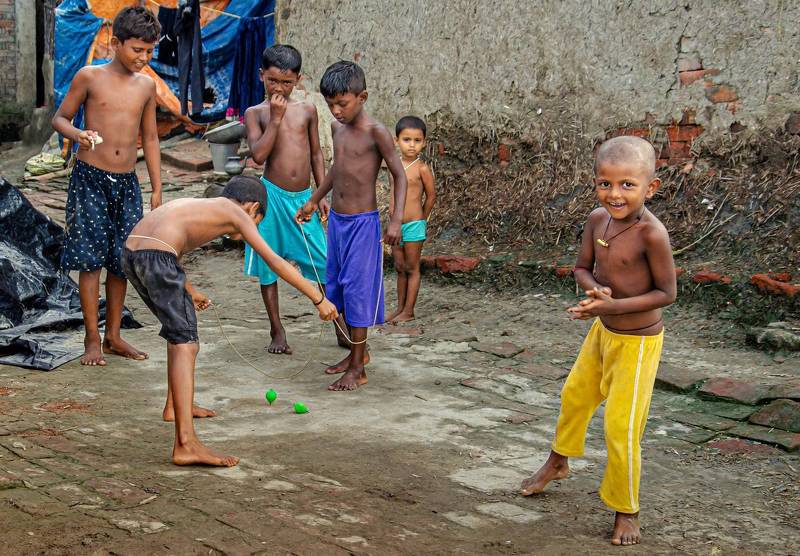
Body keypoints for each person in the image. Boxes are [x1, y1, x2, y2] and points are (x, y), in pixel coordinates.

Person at [519, 136, 676, 546]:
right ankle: (558, 461)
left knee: (621, 426)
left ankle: (627, 509)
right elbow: (581, 268)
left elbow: (667, 294)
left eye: (628, 185)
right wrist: (595, 291)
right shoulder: (596, 220)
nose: (615, 194)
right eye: (605, 183)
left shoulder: (652, 234)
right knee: (574, 396)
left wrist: (612, 305)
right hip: (602, 331)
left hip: (638, 344)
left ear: (651, 188)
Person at [123, 176, 338, 466]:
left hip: (132, 252)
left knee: (179, 335)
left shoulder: (202, 208)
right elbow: (274, 260)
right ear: (252, 208)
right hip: (155, 256)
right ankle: (186, 444)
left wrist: (190, 291)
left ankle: (175, 406)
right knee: (186, 343)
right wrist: (319, 299)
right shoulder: (237, 213)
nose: (254, 227)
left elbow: (172, 249)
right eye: (258, 221)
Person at [52, 6, 163, 367]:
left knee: (121, 261)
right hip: (90, 179)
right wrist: (77, 134)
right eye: (137, 50)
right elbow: (60, 118)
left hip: (127, 183)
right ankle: (92, 338)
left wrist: (156, 187)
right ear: (115, 43)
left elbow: (150, 137)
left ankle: (114, 335)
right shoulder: (89, 77)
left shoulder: (147, 86)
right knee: (90, 262)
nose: (143, 58)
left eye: (150, 51)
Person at [295, 61, 408, 391]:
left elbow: (399, 175)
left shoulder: (376, 132)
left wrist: (396, 220)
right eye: (330, 104)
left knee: (358, 292)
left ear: (363, 97)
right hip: (338, 223)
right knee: (338, 288)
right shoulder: (337, 128)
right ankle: (357, 354)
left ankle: (358, 368)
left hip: (362, 224)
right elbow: (337, 169)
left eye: (342, 103)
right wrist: (314, 199)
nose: (336, 111)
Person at [243, 44, 347, 354]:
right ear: (261, 76)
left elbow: (316, 154)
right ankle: (277, 329)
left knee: (323, 263)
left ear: (298, 80)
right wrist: (275, 120)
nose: (279, 88)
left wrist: (320, 193)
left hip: (303, 200)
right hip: (270, 200)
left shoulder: (307, 111)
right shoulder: (255, 113)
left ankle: (340, 324)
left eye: (286, 82)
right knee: (268, 266)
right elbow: (259, 156)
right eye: (272, 81)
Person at [386, 116, 436, 323]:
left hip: (414, 225)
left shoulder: (421, 168)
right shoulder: (393, 166)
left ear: (424, 143)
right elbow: (392, 194)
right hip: (395, 227)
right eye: (407, 140)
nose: (412, 145)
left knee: (412, 267)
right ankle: (400, 308)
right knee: (400, 267)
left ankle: (409, 310)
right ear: (396, 140)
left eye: (417, 140)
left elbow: (431, 196)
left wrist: (422, 218)